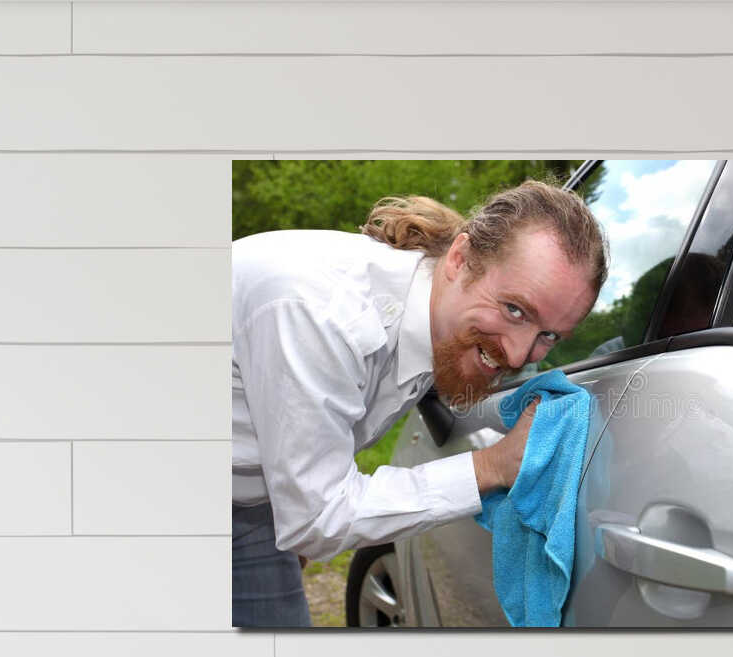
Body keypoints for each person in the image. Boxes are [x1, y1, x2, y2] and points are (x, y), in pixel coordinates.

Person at [230, 179, 607, 627]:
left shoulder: (439, 315)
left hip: (254, 508)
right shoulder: (323, 314)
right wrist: (491, 467)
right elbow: (320, 518)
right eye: (515, 310)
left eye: (550, 336)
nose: (521, 354)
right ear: (460, 259)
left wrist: (292, 504)